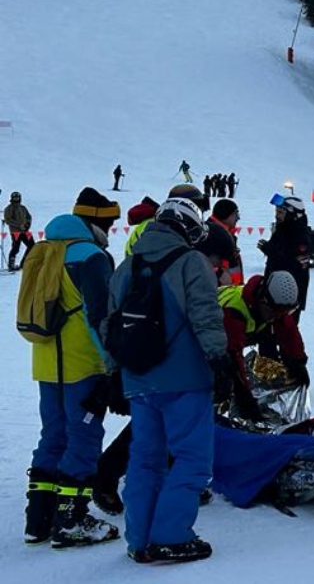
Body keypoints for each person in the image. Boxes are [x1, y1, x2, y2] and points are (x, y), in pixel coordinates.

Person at [104, 197, 227, 563]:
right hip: (185, 379)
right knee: (191, 459)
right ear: (190, 229)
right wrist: (219, 363)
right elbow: (206, 316)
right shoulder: (191, 262)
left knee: (144, 460)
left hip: (139, 380)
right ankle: (171, 536)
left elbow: (109, 325)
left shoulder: (126, 267)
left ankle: (139, 539)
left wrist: (113, 372)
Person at [24, 187, 120, 548]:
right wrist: (112, 365)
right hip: (82, 364)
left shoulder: (45, 251)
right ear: (95, 222)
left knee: (53, 435)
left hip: (46, 362)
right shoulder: (90, 257)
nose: (110, 231)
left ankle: (39, 518)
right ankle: (71, 519)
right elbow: (100, 318)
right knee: (84, 436)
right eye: (108, 224)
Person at [218, 272, 307, 422]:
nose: (278, 316)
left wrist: (298, 362)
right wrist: (244, 397)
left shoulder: (271, 305)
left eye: (286, 311)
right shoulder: (233, 313)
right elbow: (233, 359)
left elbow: (289, 333)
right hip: (198, 340)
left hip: (229, 339)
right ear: (263, 300)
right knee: (220, 384)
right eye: (276, 312)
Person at [259, 195, 311, 312]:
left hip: (289, 297)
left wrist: (271, 251)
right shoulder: (281, 230)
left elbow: (296, 266)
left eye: (281, 212)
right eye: (276, 211)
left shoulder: (301, 237)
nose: (276, 215)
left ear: (293, 215)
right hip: (274, 290)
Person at [194, 198, 242, 285]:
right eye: (235, 214)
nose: (238, 218)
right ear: (226, 215)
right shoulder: (214, 234)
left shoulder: (221, 232)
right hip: (220, 291)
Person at [5, 190, 33, 270]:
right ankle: (11, 265)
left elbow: (29, 217)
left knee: (32, 246)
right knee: (15, 248)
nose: (17, 199)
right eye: (15, 198)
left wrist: (27, 225)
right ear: (12, 198)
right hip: (15, 232)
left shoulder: (22, 207)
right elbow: (8, 220)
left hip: (25, 231)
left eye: (18, 197)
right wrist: (19, 225)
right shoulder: (9, 208)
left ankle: (24, 263)